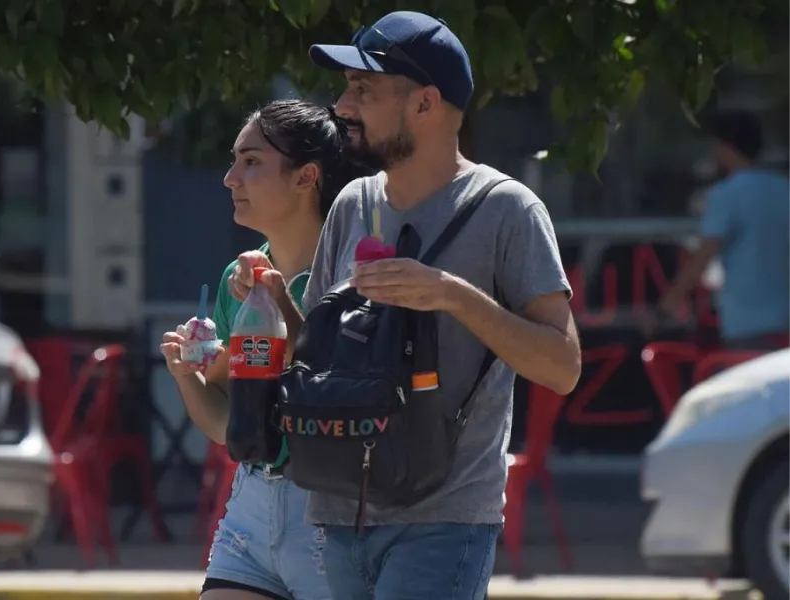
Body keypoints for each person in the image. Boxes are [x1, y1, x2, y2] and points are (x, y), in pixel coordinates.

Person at [228, 12, 582, 599]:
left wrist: (451, 294)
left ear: (424, 104)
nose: (341, 105)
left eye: (363, 90)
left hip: (444, 518)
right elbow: (315, 353)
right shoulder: (352, 202)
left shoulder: (507, 210)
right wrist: (273, 299)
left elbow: (562, 366)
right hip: (339, 512)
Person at [159, 99, 371, 600]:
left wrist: (283, 306)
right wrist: (185, 374)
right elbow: (228, 425)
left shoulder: (355, 276)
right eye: (234, 161)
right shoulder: (241, 281)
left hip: (333, 516)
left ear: (306, 178)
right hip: (252, 511)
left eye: (251, 162)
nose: (231, 178)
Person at [651, 111, 789, 350]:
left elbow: (703, 257)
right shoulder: (783, 189)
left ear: (726, 148)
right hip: (784, 320)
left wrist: (666, 307)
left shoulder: (725, 195)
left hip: (746, 323)